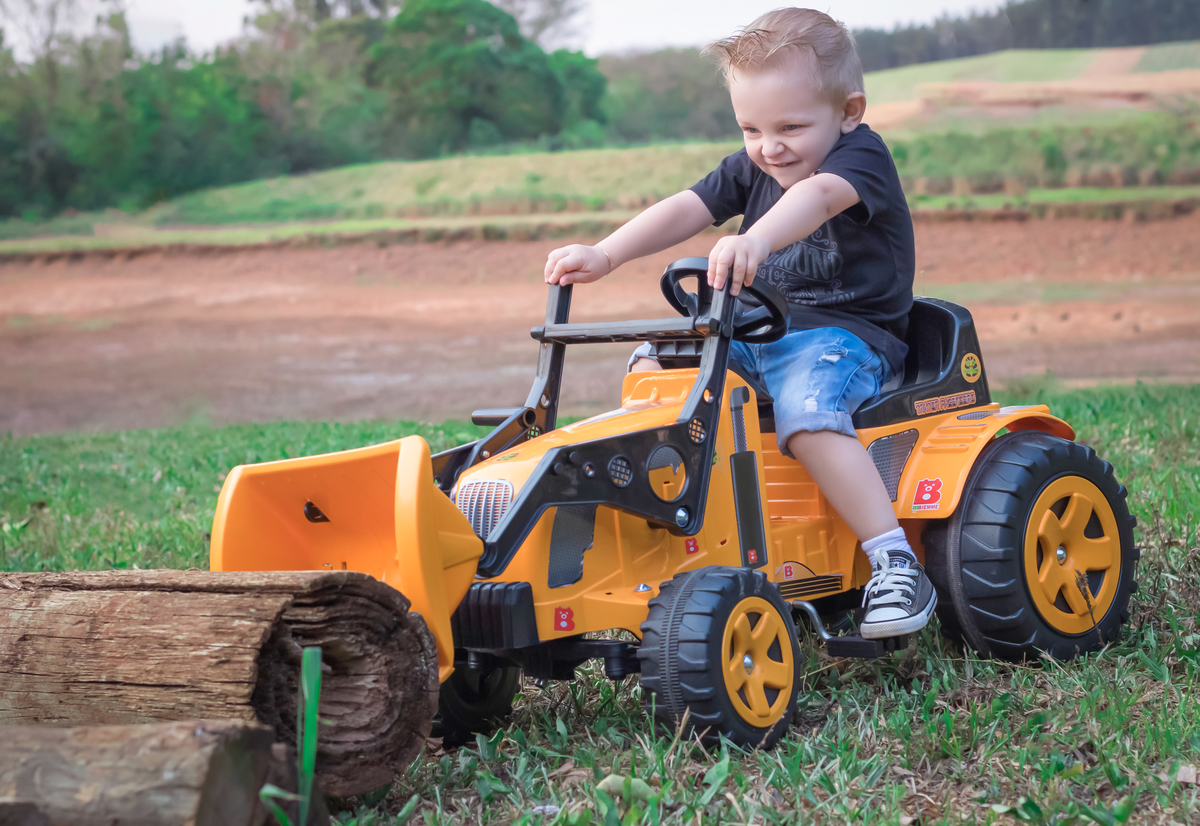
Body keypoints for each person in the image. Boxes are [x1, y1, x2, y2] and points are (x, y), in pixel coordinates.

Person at [542, 8, 935, 639]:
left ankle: (893, 559)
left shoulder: (861, 158)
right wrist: (606, 253)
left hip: (845, 337)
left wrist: (755, 238)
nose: (768, 147)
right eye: (750, 128)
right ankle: (678, 531)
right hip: (754, 332)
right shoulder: (756, 164)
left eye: (790, 127)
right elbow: (686, 207)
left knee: (807, 412)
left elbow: (818, 198)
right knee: (658, 368)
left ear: (849, 111)